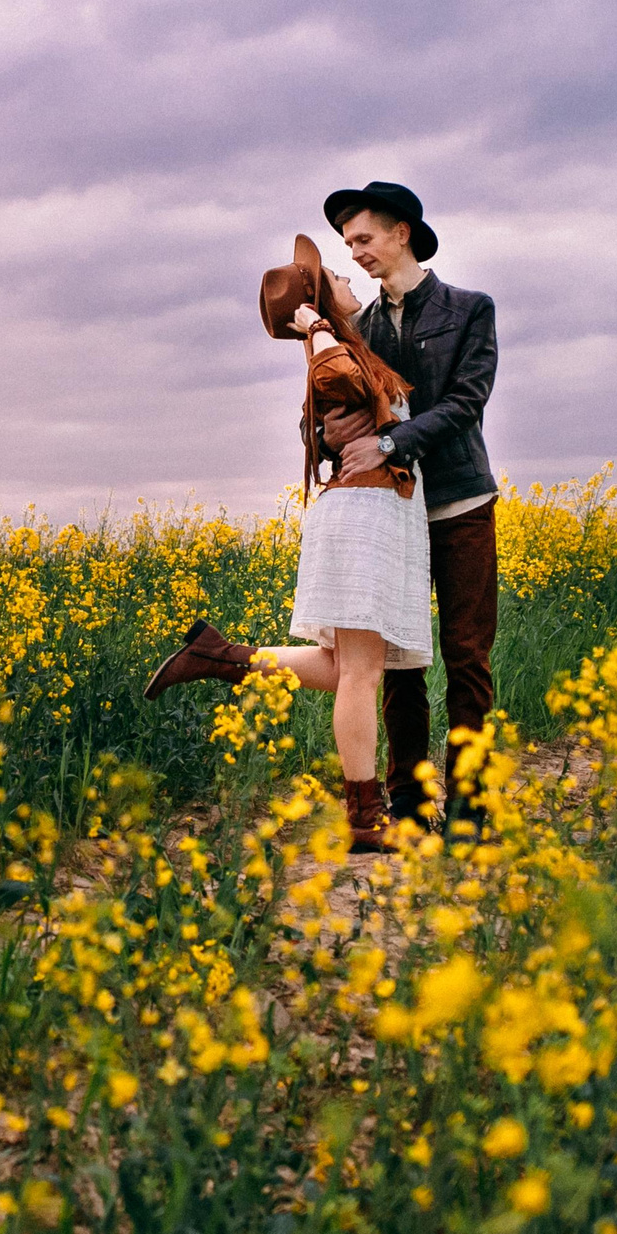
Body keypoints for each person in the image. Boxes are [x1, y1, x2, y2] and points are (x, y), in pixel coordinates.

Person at [143, 235, 431, 853]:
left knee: (342, 666)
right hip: (364, 515)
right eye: (335, 275)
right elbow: (337, 381)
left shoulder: (355, 346)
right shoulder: (329, 350)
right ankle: (364, 817)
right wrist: (314, 329)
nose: (349, 276)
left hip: (378, 512)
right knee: (361, 671)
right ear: (322, 300)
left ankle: (222, 657)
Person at [319, 182, 499, 828]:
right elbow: (343, 409)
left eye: (363, 238)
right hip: (391, 514)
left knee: (467, 656)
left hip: (459, 502)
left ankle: (471, 809)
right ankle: (409, 803)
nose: (357, 252)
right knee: (398, 662)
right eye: (348, 245)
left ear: (402, 232)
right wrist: (329, 434)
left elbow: (464, 402)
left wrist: (389, 439)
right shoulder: (359, 327)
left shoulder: (470, 308)